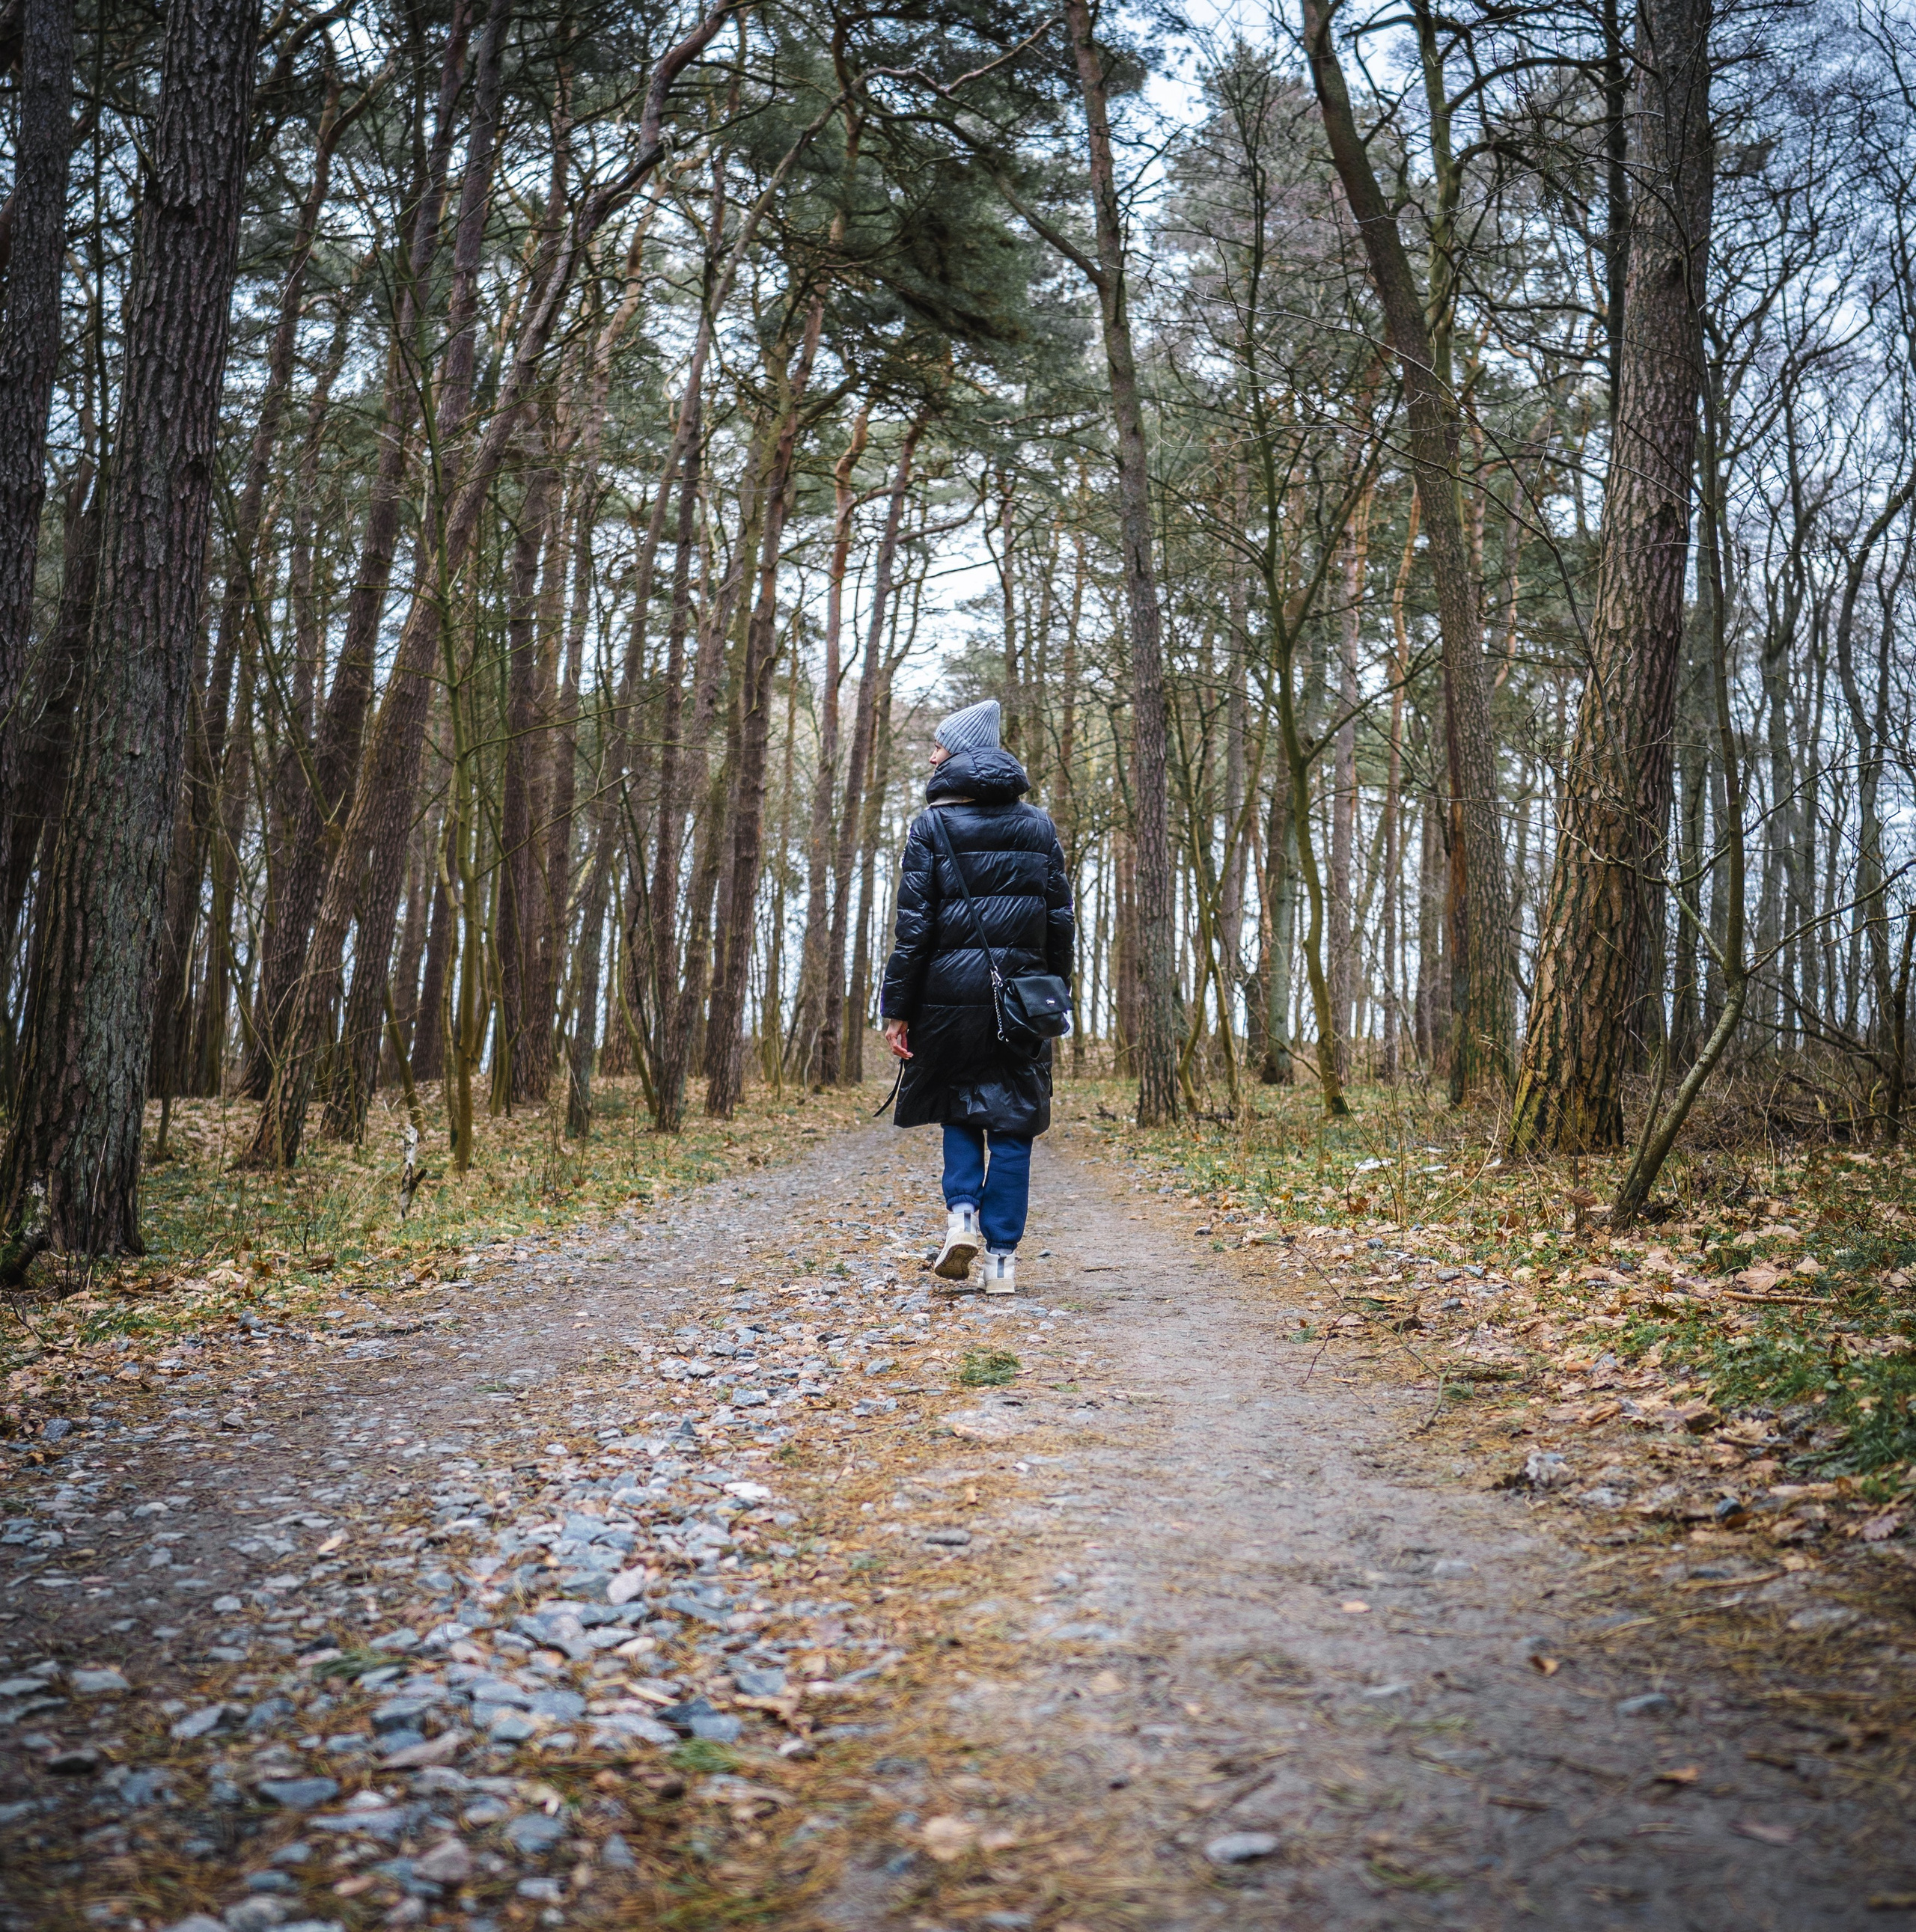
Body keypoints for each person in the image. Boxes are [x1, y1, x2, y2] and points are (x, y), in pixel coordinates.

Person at [879, 698, 1073, 1295]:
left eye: (939, 745)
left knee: (959, 1107)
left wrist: (898, 1009)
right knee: (1013, 1124)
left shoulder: (931, 826)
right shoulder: (1038, 824)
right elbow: (1059, 921)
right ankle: (1002, 1264)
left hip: (944, 996)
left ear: (960, 754)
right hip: (1019, 999)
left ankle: (961, 1216)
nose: (932, 754)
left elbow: (914, 927)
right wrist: (1052, 996)